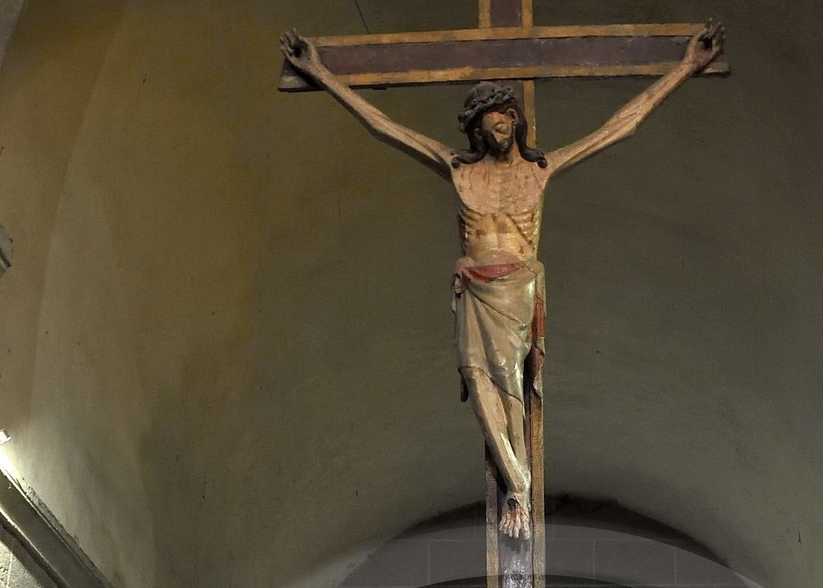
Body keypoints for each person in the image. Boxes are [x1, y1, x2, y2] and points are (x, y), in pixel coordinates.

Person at [278, 27, 724, 537]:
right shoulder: (458, 171)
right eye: (488, 129)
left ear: (517, 122)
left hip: (517, 288)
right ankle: (518, 482)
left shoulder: (540, 170)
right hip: (474, 287)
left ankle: (520, 487)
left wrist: (685, 67)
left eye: (505, 124)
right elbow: (385, 127)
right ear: (475, 133)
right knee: (476, 378)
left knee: (513, 388)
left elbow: (618, 127)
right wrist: (322, 73)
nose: (499, 134)